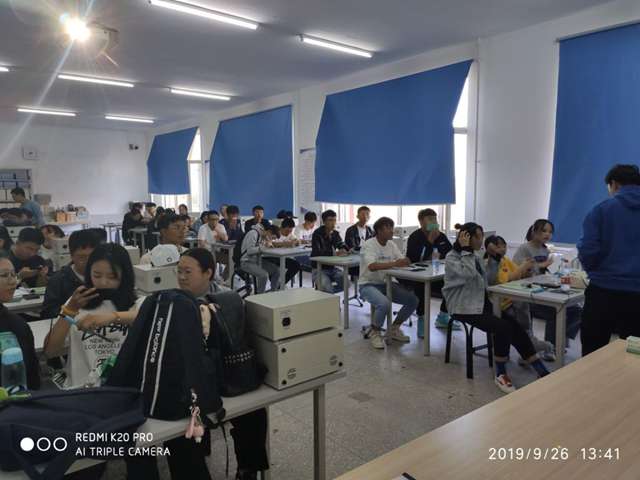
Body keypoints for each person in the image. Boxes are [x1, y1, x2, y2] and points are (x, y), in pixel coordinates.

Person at [176, 249, 269, 480]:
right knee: (182, 428)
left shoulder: (229, 300)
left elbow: (240, 341)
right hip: (190, 381)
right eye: (179, 271)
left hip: (227, 374)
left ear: (208, 273)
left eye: (188, 271)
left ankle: (247, 469)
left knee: (254, 413)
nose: (182, 277)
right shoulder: (174, 302)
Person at [443, 223, 550, 393]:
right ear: (467, 238)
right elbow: (468, 275)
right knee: (503, 328)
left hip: (480, 303)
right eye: (478, 236)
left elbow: (490, 280)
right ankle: (500, 373)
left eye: (482, 236)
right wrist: (466, 250)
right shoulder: (452, 257)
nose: (481, 240)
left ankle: (539, 367)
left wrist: (495, 258)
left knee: (515, 326)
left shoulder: (476, 255)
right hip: (462, 306)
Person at [43, 243, 143, 389]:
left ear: (125, 276)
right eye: (96, 275)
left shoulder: (137, 303)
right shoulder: (77, 302)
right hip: (81, 389)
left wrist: (113, 316)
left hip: (122, 389)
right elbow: (51, 351)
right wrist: (69, 310)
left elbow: (145, 316)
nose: (103, 282)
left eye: (112, 277)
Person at [579, 164, 640, 356]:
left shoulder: (601, 210)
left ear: (614, 184)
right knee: (634, 353)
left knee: (593, 350)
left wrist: (595, 272)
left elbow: (588, 249)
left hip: (603, 291)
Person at [513, 219, 582, 357]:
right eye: (544, 231)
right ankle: (551, 347)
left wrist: (557, 269)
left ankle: (558, 340)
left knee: (576, 310)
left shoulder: (545, 250)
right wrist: (540, 265)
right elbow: (516, 271)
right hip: (526, 294)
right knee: (555, 310)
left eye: (550, 232)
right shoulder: (524, 248)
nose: (547, 234)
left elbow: (545, 272)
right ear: (534, 231)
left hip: (543, 290)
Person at [484, 235, 554, 361]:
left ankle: (528, 347)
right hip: (501, 304)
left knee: (524, 308)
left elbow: (518, 274)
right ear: (490, 248)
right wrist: (522, 267)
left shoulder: (505, 260)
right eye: (498, 246)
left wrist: (527, 269)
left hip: (512, 300)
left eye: (504, 245)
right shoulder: (489, 264)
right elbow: (506, 280)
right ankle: (532, 347)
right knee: (519, 320)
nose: (503, 248)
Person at [359, 217, 419, 349]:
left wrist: (405, 261)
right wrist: (395, 263)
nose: (392, 231)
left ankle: (393, 329)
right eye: (388, 228)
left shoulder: (391, 244)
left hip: (387, 284)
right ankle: (375, 333)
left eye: (392, 227)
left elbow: (402, 260)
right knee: (384, 303)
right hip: (368, 284)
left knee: (413, 300)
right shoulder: (369, 244)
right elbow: (372, 266)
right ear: (379, 231)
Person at [402, 208, 457, 335]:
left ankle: (443, 316)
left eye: (435, 219)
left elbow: (450, 254)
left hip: (436, 273)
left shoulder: (441, 236)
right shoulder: (415, 237)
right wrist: (429, 241)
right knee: (421, 287)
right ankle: (422, 319)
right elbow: (415, 258)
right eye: (430, 219)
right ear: (421, 222)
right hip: (417, 276)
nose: (434, 222)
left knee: (453, 283)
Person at [0, 255, 40, 390]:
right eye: (4, 275)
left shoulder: (17, 325)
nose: (13, 281)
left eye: (14, 274)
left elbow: (31, 374)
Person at [40, 230, 101, 319]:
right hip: (70, 324)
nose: (89, 262)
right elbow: (48, 313)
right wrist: (71, 308)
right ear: (72, 256)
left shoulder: (107, 277)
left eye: (93, 256)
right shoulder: (59, 280)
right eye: (82, 257)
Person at [311, 210, 349, 294]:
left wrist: (344, 248)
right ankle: (327, 294)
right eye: (330, 220)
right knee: (326, 287)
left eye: (335, 220)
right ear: (324, 222)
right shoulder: (317, 234)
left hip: (332, 268)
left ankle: (327, 294)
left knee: (346, 283)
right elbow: (317, 252)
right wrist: (335, 253)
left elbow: (340, 243)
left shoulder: (335, 233)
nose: (333, 223)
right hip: (319, 269)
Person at [239, 224, 279, 294]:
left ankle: (273, 293)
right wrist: (264, 247)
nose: (271, 239)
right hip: (246, 262)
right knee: (263, 275)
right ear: (269, 232)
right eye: (272, 237)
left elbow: (261, 250)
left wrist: (267, 246)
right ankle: (260, 296)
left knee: (276, 271)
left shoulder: (262, 237)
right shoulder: (253, 233)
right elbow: (249, 251)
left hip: (257, 261)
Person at [266, 218, 301, 284]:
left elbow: (297, 240)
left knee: (296, 265)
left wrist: (297, 242)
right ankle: (276, 284)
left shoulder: (290, 234)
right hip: (272, 257)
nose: (288, 233)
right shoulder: (275, 231)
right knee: (274, 268)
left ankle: (281, 283)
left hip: (283, 257)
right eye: (287, 231)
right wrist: (285, 243)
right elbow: (272, 243)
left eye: (290, 231)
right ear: (282, 228)